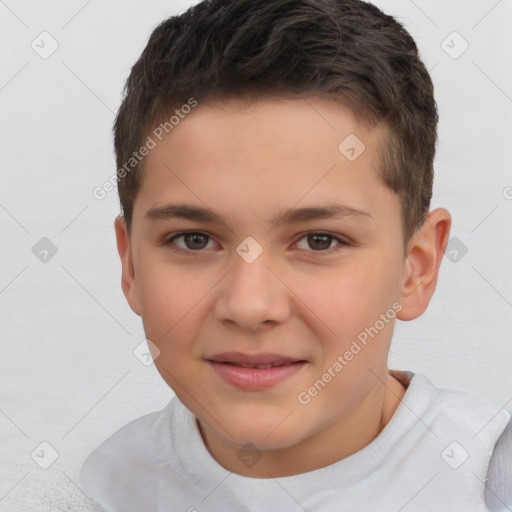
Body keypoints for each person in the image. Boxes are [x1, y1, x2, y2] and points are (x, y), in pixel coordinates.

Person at [80, 0, 512, 510]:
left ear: (416, 268)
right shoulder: (103, 486)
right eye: (194, 239)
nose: (249, 305)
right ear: (131, 267)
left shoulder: (489, 479)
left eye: (319, 241)